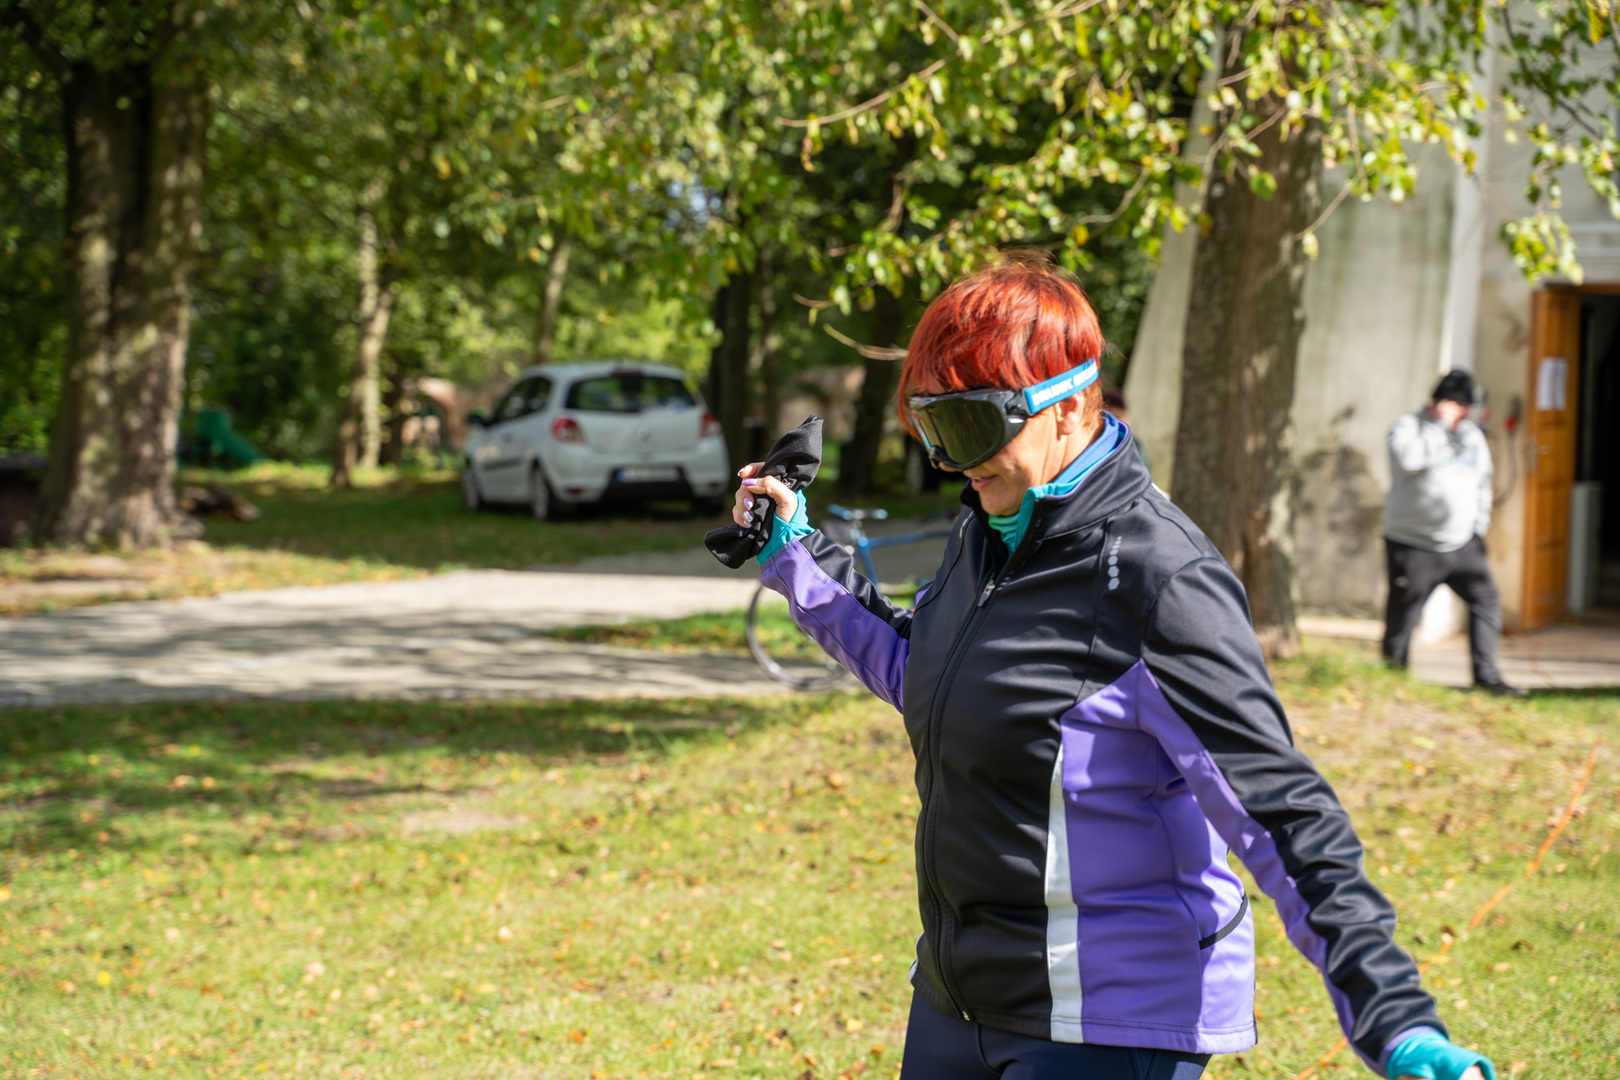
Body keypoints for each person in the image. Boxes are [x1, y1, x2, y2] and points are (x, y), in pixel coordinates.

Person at [732, 256, 1492, 1080]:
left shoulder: (1161, 579)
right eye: (932, 430)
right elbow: (928, 671)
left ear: (1068, 404)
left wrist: (1396, 1019)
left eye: (972, 428)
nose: (952, 462)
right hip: (960, 998)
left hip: (1107, 1022)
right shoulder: (985, 534)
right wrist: (794, 549)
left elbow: (1278, 808)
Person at [1382, 370, 1522, 697]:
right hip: (1414, 544)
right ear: (1436, 402)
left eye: (1465, 407)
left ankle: (1487, 677)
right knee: (1403, 614)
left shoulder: (1471, 435)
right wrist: (1439, 427)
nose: (1461, 413)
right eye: (1455, 405)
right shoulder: (1408, 428)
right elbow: (1408, 461)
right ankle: (1391, 676)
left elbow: (1484, 480)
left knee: (1486, 601)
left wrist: (1478, 526)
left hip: (1463, 544)